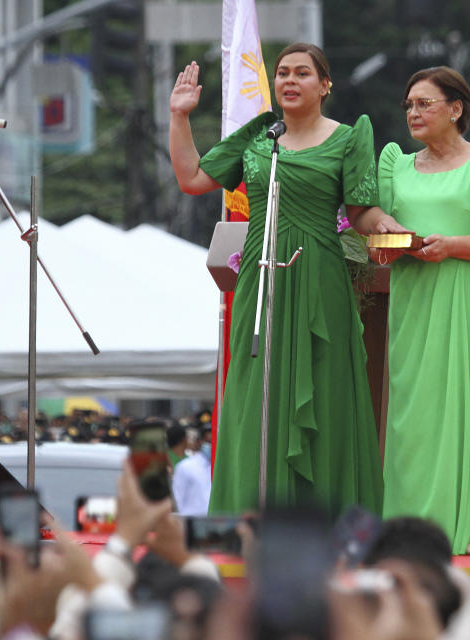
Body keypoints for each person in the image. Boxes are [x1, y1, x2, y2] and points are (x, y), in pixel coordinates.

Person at [169, 43, 404, 516]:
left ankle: (328, 517)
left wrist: (389, 227)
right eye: (282, 74)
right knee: (257, 390)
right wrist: (180, 117)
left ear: (325, 84)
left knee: (327, 390)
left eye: (302, 73)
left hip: (321, 277)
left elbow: (360, 212)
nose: (289, 81)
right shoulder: (260, 135)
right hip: (260, 277)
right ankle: (253, 514)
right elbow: (192, 178)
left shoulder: (349, 137)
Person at [370, 66, 470, 554]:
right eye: (409, 105)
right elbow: (376, 236)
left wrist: (452, 244)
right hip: (411, 299)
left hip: (462, 298)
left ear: (455, 109)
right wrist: (391, 238)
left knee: (467, 402)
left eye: (425, 104)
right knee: (412, 413)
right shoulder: (395, 165)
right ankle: (408, 524)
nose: (413, 112)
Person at [172, 424, 213, 516]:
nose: (211, 445)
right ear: (199, 442)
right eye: (208, 442)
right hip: (191, 521)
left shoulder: (219, 467)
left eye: (214, 441)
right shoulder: (185, 466)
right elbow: (178, 498)